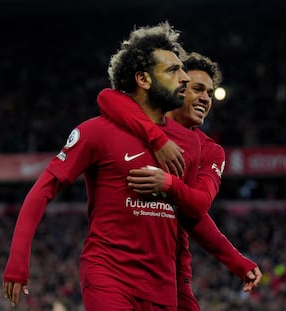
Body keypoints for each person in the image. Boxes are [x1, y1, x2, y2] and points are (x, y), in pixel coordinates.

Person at [3, 22, 206, 311]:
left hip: (163, 288)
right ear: (143, 79)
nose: (184, 77)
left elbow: (192, 219)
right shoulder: (97, 132)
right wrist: (18, 260)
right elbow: (43, 189)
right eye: (172, 70)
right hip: (109, 276)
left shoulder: (190, 144)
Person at [96, 52, 262, 310]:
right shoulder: (138, 126)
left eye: (210, 92)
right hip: (120, 269)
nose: (206, 99)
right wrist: (157, 139)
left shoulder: (210, 151)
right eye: (197, 89)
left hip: (172, 275)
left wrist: (168, 184)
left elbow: (197, 208)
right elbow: (107, 97)